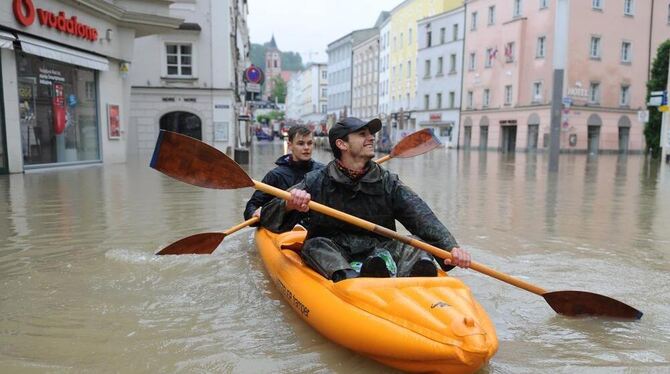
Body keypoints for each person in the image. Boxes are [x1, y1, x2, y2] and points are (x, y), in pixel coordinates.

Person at [260, 117, 471, 282]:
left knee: (417, 244)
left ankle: (407, 274)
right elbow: (269, 217)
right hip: (335, 248)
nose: (371, 138)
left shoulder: (387, 181)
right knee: (315, 245)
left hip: (379, 247)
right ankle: (352, 279)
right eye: (362, 134)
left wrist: (451, 248)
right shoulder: (316, 181)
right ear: (342, 144)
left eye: (370, 134)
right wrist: (289, 203)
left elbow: (421, 216)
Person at [244, 124, 324, 223]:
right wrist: (254, 213)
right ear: (290, 145)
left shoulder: (323, 172)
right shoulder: (275, 175)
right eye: (301, 143)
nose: (306, 147)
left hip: (314, 229)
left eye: (310, 143)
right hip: (284, 232)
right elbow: (251, 207)